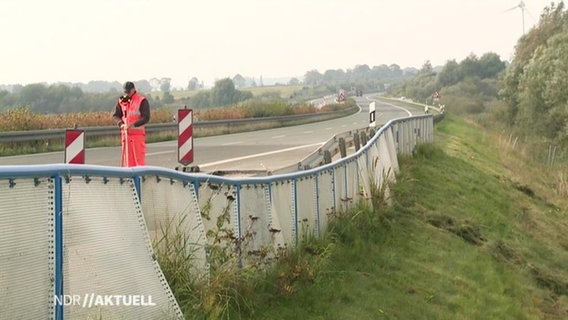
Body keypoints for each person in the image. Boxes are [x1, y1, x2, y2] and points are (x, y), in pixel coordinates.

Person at [112, 81, 150, 167]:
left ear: (133, 90)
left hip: (137, 136)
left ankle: (139, 178)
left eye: (129, 92)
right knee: (128, 162)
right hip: (126, 136)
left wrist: (133, 125)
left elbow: (146, 117)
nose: (127, 94)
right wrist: (121, 124)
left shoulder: (141, 100)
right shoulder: (121, 101)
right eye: (126, 92)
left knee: (139, 162)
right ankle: (129, 179)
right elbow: (116, 115)